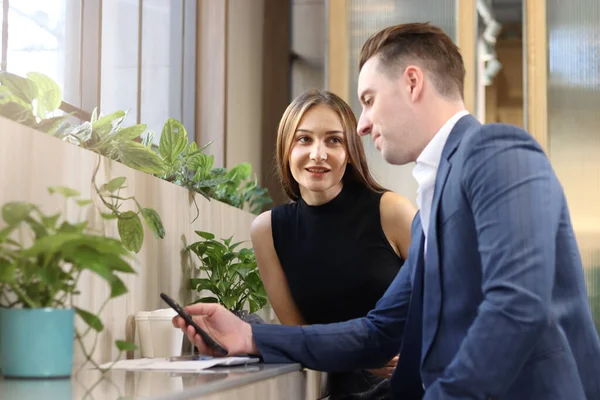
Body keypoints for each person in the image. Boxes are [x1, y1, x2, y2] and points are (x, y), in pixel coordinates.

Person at [174, 22, 600, 400]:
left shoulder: (496, 150)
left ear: (412, 82)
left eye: (369, 99)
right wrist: (249, 335)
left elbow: (516, 305)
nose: (361, 123)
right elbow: (378, 332)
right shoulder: (433, 200)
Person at [250, 89, 416, 399]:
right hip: (338, 387)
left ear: (351, 151)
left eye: (333, 140)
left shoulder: (391, 211)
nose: (317, 154)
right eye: (304, 139)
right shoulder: (267, 230)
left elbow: (443, 296)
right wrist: (363, 354)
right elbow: (299, 335)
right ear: (286, 148)